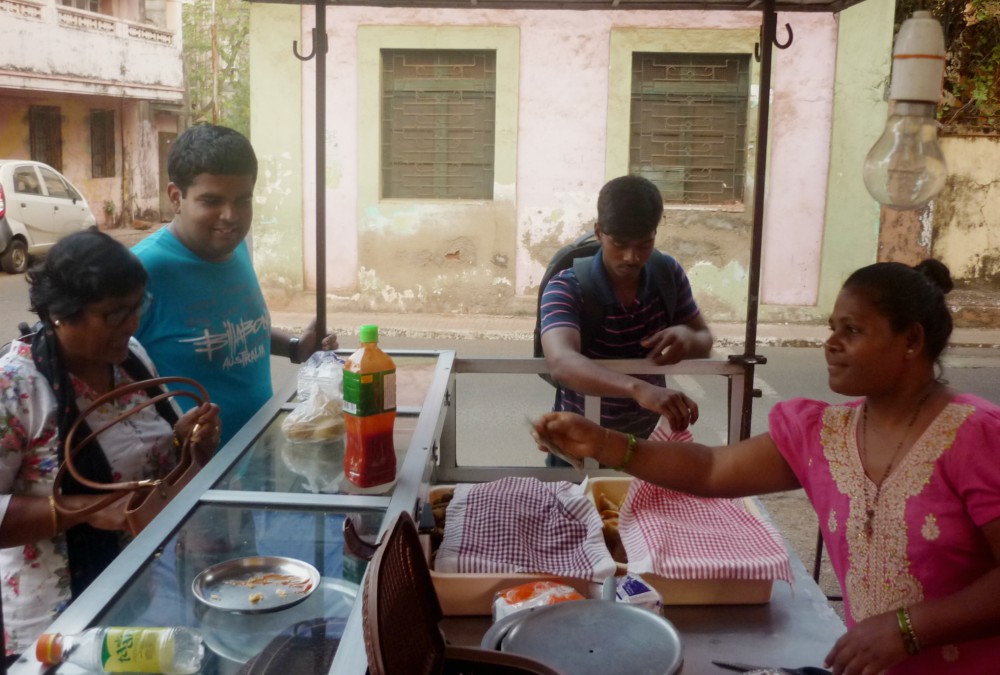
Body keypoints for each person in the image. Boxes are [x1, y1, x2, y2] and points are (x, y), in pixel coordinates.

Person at [534, 260, 1000, 674]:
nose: (831, 345)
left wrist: (909, 628)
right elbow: (710, 469)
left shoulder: (974, 435)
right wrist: (606, 443)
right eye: (832, 328)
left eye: (852, 330)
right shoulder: (825, 434)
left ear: (912, 340)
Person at [0, 230, 221, 659]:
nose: (133, 323)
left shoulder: (129, 356)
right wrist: (89, 508)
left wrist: (188, 442)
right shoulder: (15, 387)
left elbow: (149, 462)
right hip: (56, 622)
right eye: (115, 313)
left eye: (138, 306)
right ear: (61, 315)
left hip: (137, 592)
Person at [133, 124, 337, 447]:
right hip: (196, 478)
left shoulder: (233, 246)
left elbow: (236, 331)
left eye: (243, 200)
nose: (231, 216)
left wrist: (296, 347)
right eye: (212, 201)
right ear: (176, 197)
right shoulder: (141, 271)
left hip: (261, 454)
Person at [538, 175, 713, 463]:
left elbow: (704, 340)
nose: (631, 257)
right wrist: (638, 389)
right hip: (579, 446)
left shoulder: (667, 274)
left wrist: (688, 338)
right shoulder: (568, 286)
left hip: (647, 446)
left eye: (644, 244)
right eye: (619, 244)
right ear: (598, 233)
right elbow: (561, 362)